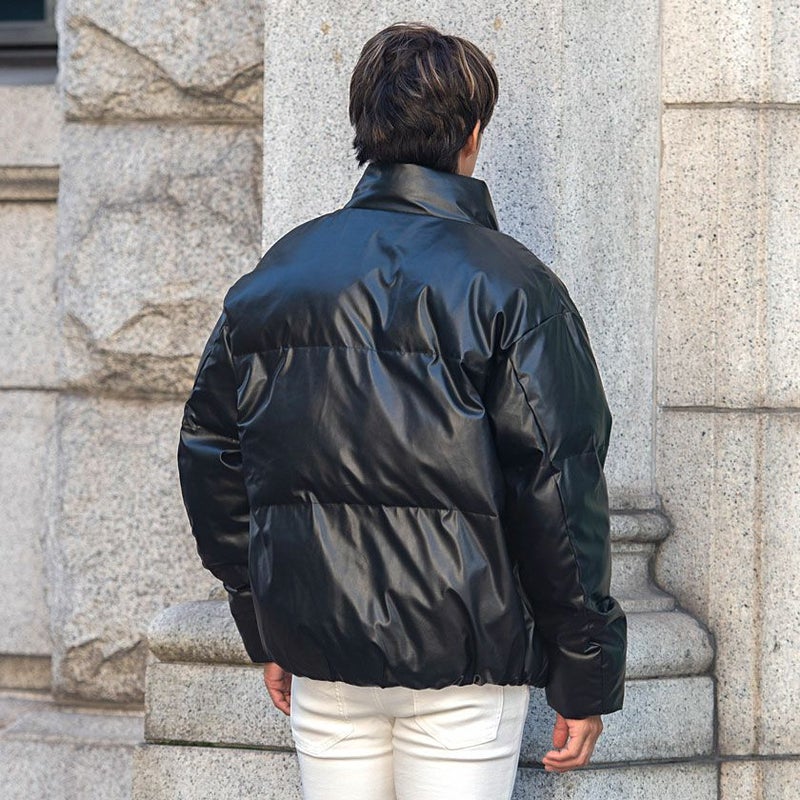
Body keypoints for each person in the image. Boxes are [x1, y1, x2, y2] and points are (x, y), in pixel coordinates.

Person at [177, 21, 627, 800]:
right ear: (473, 133)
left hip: (323, 654)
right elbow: (558, 487)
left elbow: (211, 459)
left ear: (367, 129)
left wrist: (264, 618)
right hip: (465, 663)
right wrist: (584, 671)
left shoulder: (277, 277)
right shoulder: (514, 286)